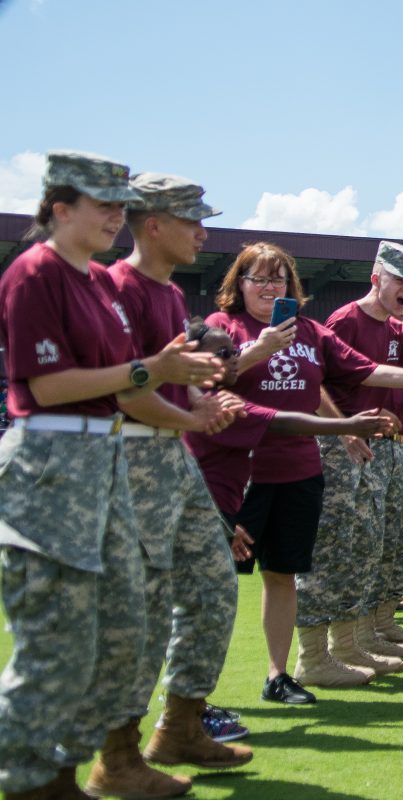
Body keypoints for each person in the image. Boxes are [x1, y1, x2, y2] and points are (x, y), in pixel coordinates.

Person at [0, 151, 223, 799]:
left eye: (118, 205)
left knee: (121, 626)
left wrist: (172, 383)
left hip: (100, 457)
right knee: (58, 638)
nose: (114, 217)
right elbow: (51, 384)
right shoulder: (34, 274)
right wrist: (153, 374)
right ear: (58, 209)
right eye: (102, 205)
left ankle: (78, 768)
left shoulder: (95, 283)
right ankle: (34, 778)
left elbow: (139, 374)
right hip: (55, 459)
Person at [206, 241, 403, 704]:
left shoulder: (306, 330)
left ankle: (286, 672)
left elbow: (363, 371)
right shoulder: (223, 327)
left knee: (292, 570)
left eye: (278, 279)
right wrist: (258, 350)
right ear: (238, 284)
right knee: (216, 578)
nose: (269, 287)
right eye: (258, 278)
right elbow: (204, 381)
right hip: (239, 468)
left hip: (299, 466)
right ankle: (194, 698)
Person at [87, 173, 255, 798]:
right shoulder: (115, 287)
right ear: (153, 224)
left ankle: (181, 726)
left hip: (170, 458)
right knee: (143, 608)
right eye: (192, 221)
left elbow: (169, 385)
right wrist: (192, 414)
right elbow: (126, 390)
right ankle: (117, 757)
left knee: (214, 586)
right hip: (130, 460)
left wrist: (199, 403)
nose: (203, 232)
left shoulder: (164, 294)